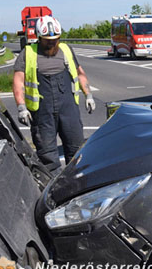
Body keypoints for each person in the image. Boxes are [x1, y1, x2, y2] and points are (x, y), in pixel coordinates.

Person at [13, 15, 95, 173]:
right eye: (47, 40)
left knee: (76, 149)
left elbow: (80, 74)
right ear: (39, 37)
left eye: (55, 39)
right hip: (42, 111)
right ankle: (53, 190)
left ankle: (77, 183)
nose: (52, 43)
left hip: (68, 107)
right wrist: (21, 106)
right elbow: (18, 81)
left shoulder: (65, 50)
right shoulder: (28, 53)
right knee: (47, 154)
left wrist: (88, 95)